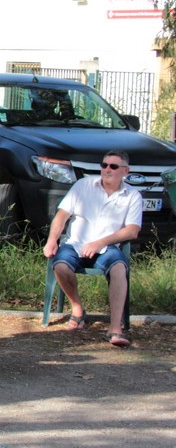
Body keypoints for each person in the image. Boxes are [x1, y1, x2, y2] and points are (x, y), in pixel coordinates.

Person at [43, 149, 142, 348]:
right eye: (104, 165)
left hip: (107, 247)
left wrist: (100, 243)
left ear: (125, 170)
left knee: (119, 269)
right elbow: (62, 215)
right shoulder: (83, 185)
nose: (107, 170)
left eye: (113, 166)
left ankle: (115, 328)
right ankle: (77, 308)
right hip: (75, 244)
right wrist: (52, 240)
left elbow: (132, 231)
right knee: (60, 266)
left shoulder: (133, 195)